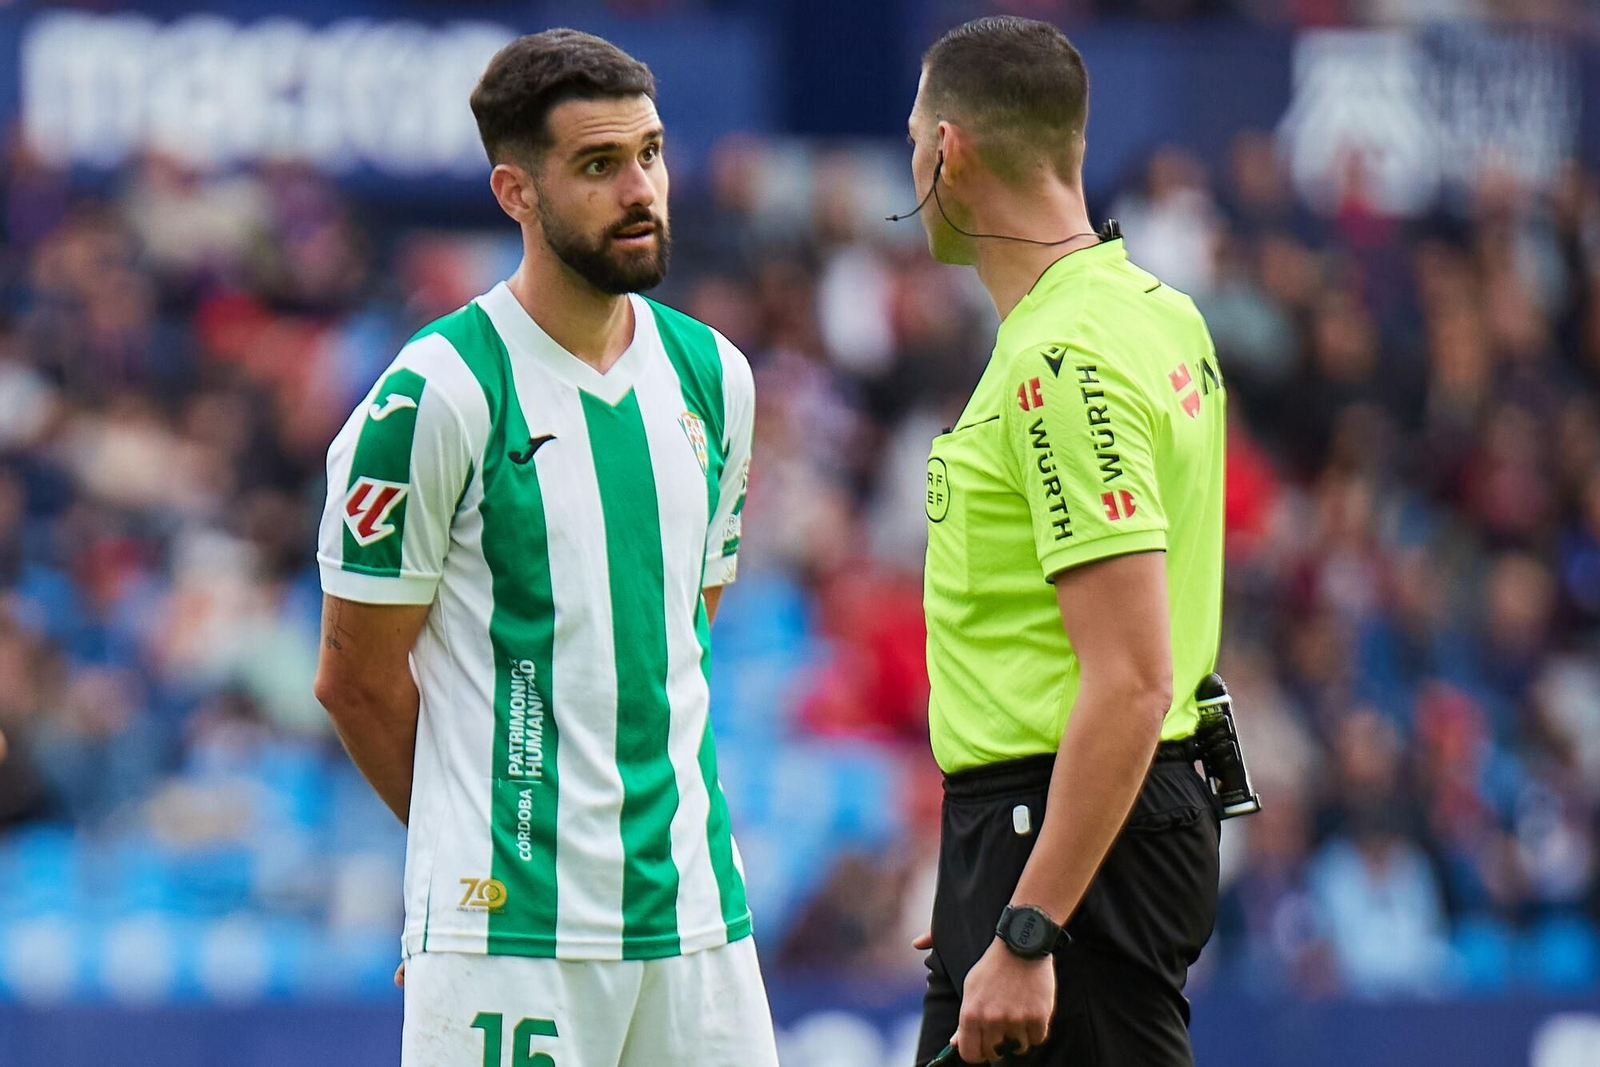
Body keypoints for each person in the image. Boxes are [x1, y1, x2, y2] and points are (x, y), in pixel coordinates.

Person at [312, 29, 778, 1067]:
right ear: (514, 192)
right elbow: (355, 678)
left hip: (698, 921)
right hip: (511, 934)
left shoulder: (717, 377)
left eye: (650, 154)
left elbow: (676, 641)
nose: (640, 189)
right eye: (599, 167)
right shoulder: (432, 394)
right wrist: (467, 862)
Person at [902, 17, 1227, 1066]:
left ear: (948, 152)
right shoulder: (1155, 311)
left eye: (914, 137)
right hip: (1050, 834)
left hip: (1063, 842)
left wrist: (1031, 915)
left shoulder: (1059, 357)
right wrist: (990, 887)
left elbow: (1132, 675)